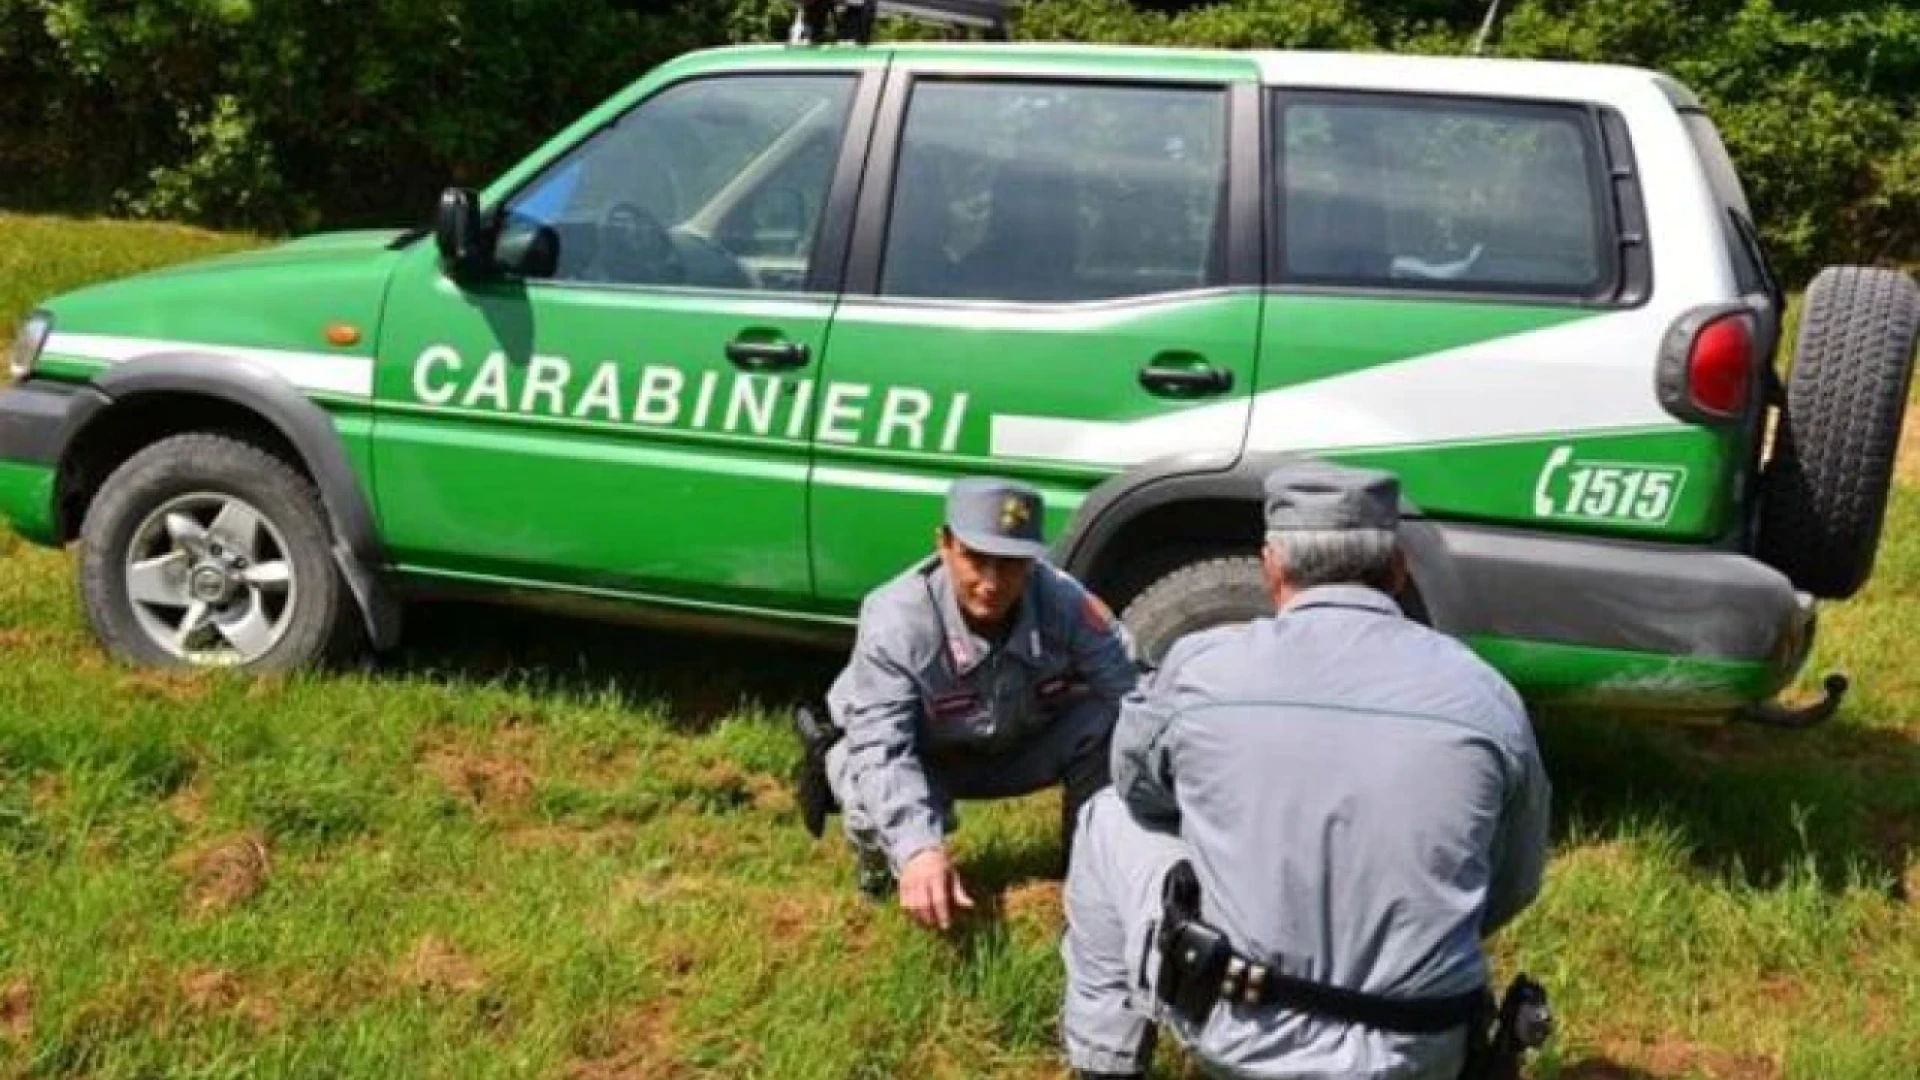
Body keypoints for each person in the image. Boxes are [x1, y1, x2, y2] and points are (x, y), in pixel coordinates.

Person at [1059, 459, 1552, 1079]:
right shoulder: (1485, 694)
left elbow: (1137, 789)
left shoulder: (1202, 669)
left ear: (1271, 567)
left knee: (1106, 818)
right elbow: (1514, 880)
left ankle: (1105, 1064)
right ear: (1398, 570)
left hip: (1244, 1035)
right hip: (1426, 1048)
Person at [792, 477, 1140, 931]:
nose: (991, 583)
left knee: (1112, 720)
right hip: (927, 759)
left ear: (1032, 562)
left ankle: (1087, 868)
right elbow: (883, 749)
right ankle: (881, 877)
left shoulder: (1065, 601)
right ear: (944, 544)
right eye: (976, 558)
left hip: (1020, 744)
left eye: (1011, 564)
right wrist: (919, 851)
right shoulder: (895, 619)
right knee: (858, 773)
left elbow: (1133, 692)